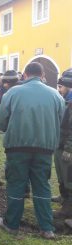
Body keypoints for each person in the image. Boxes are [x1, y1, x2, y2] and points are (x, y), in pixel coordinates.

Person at [0, 63, 65, 239]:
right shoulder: (56, 95)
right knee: (42, 186)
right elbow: (60, 122)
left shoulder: (13, 93)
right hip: (45, 149)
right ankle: (47, 228)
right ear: (42, 75)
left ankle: (11, 224)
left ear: (24, 75)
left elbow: (1, 123)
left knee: (16, 184)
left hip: (17, 148)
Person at [53, 69, 72, 221]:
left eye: (61, 86)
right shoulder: (65, 101)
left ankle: (68, 209)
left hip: (67, 148)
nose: (59, 89)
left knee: (69, 177)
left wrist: (68, 148)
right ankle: (63, 198)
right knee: (61, 175)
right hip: (60, 145)